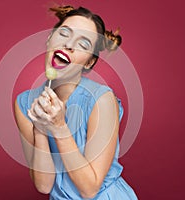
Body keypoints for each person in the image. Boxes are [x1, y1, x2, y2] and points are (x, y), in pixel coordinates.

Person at [14, 5, 138, 200]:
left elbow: (89, 189)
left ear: (89, 62)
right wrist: (40, 128)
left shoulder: (102, 99)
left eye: (83, 44)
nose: (69, 45)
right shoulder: (24, 103)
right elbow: (44, 185)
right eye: (64, 33)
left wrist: (59, 127)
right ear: (49, 39)